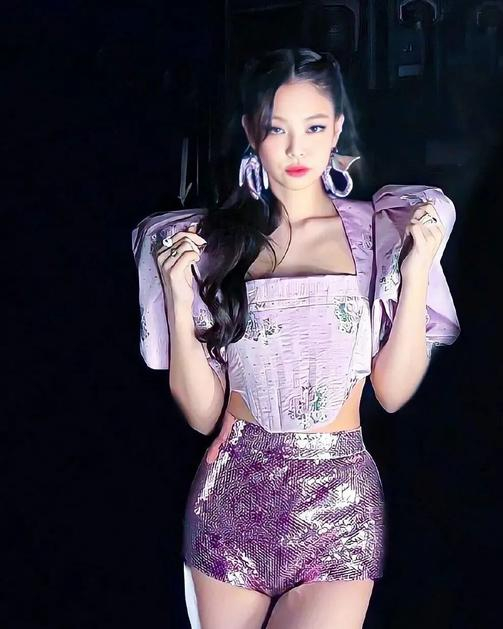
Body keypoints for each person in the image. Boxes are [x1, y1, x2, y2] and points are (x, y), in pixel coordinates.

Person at [132, 48, 460, 629]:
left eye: (312, 127)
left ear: (336, 128)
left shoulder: (379, 233)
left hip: (340, 505)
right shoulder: (213, 245)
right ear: (250, 133)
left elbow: (392, 393)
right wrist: (179, 300)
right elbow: (202, 413)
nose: (295, 150)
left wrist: (414, 274)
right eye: (276, 129)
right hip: (232, 498)